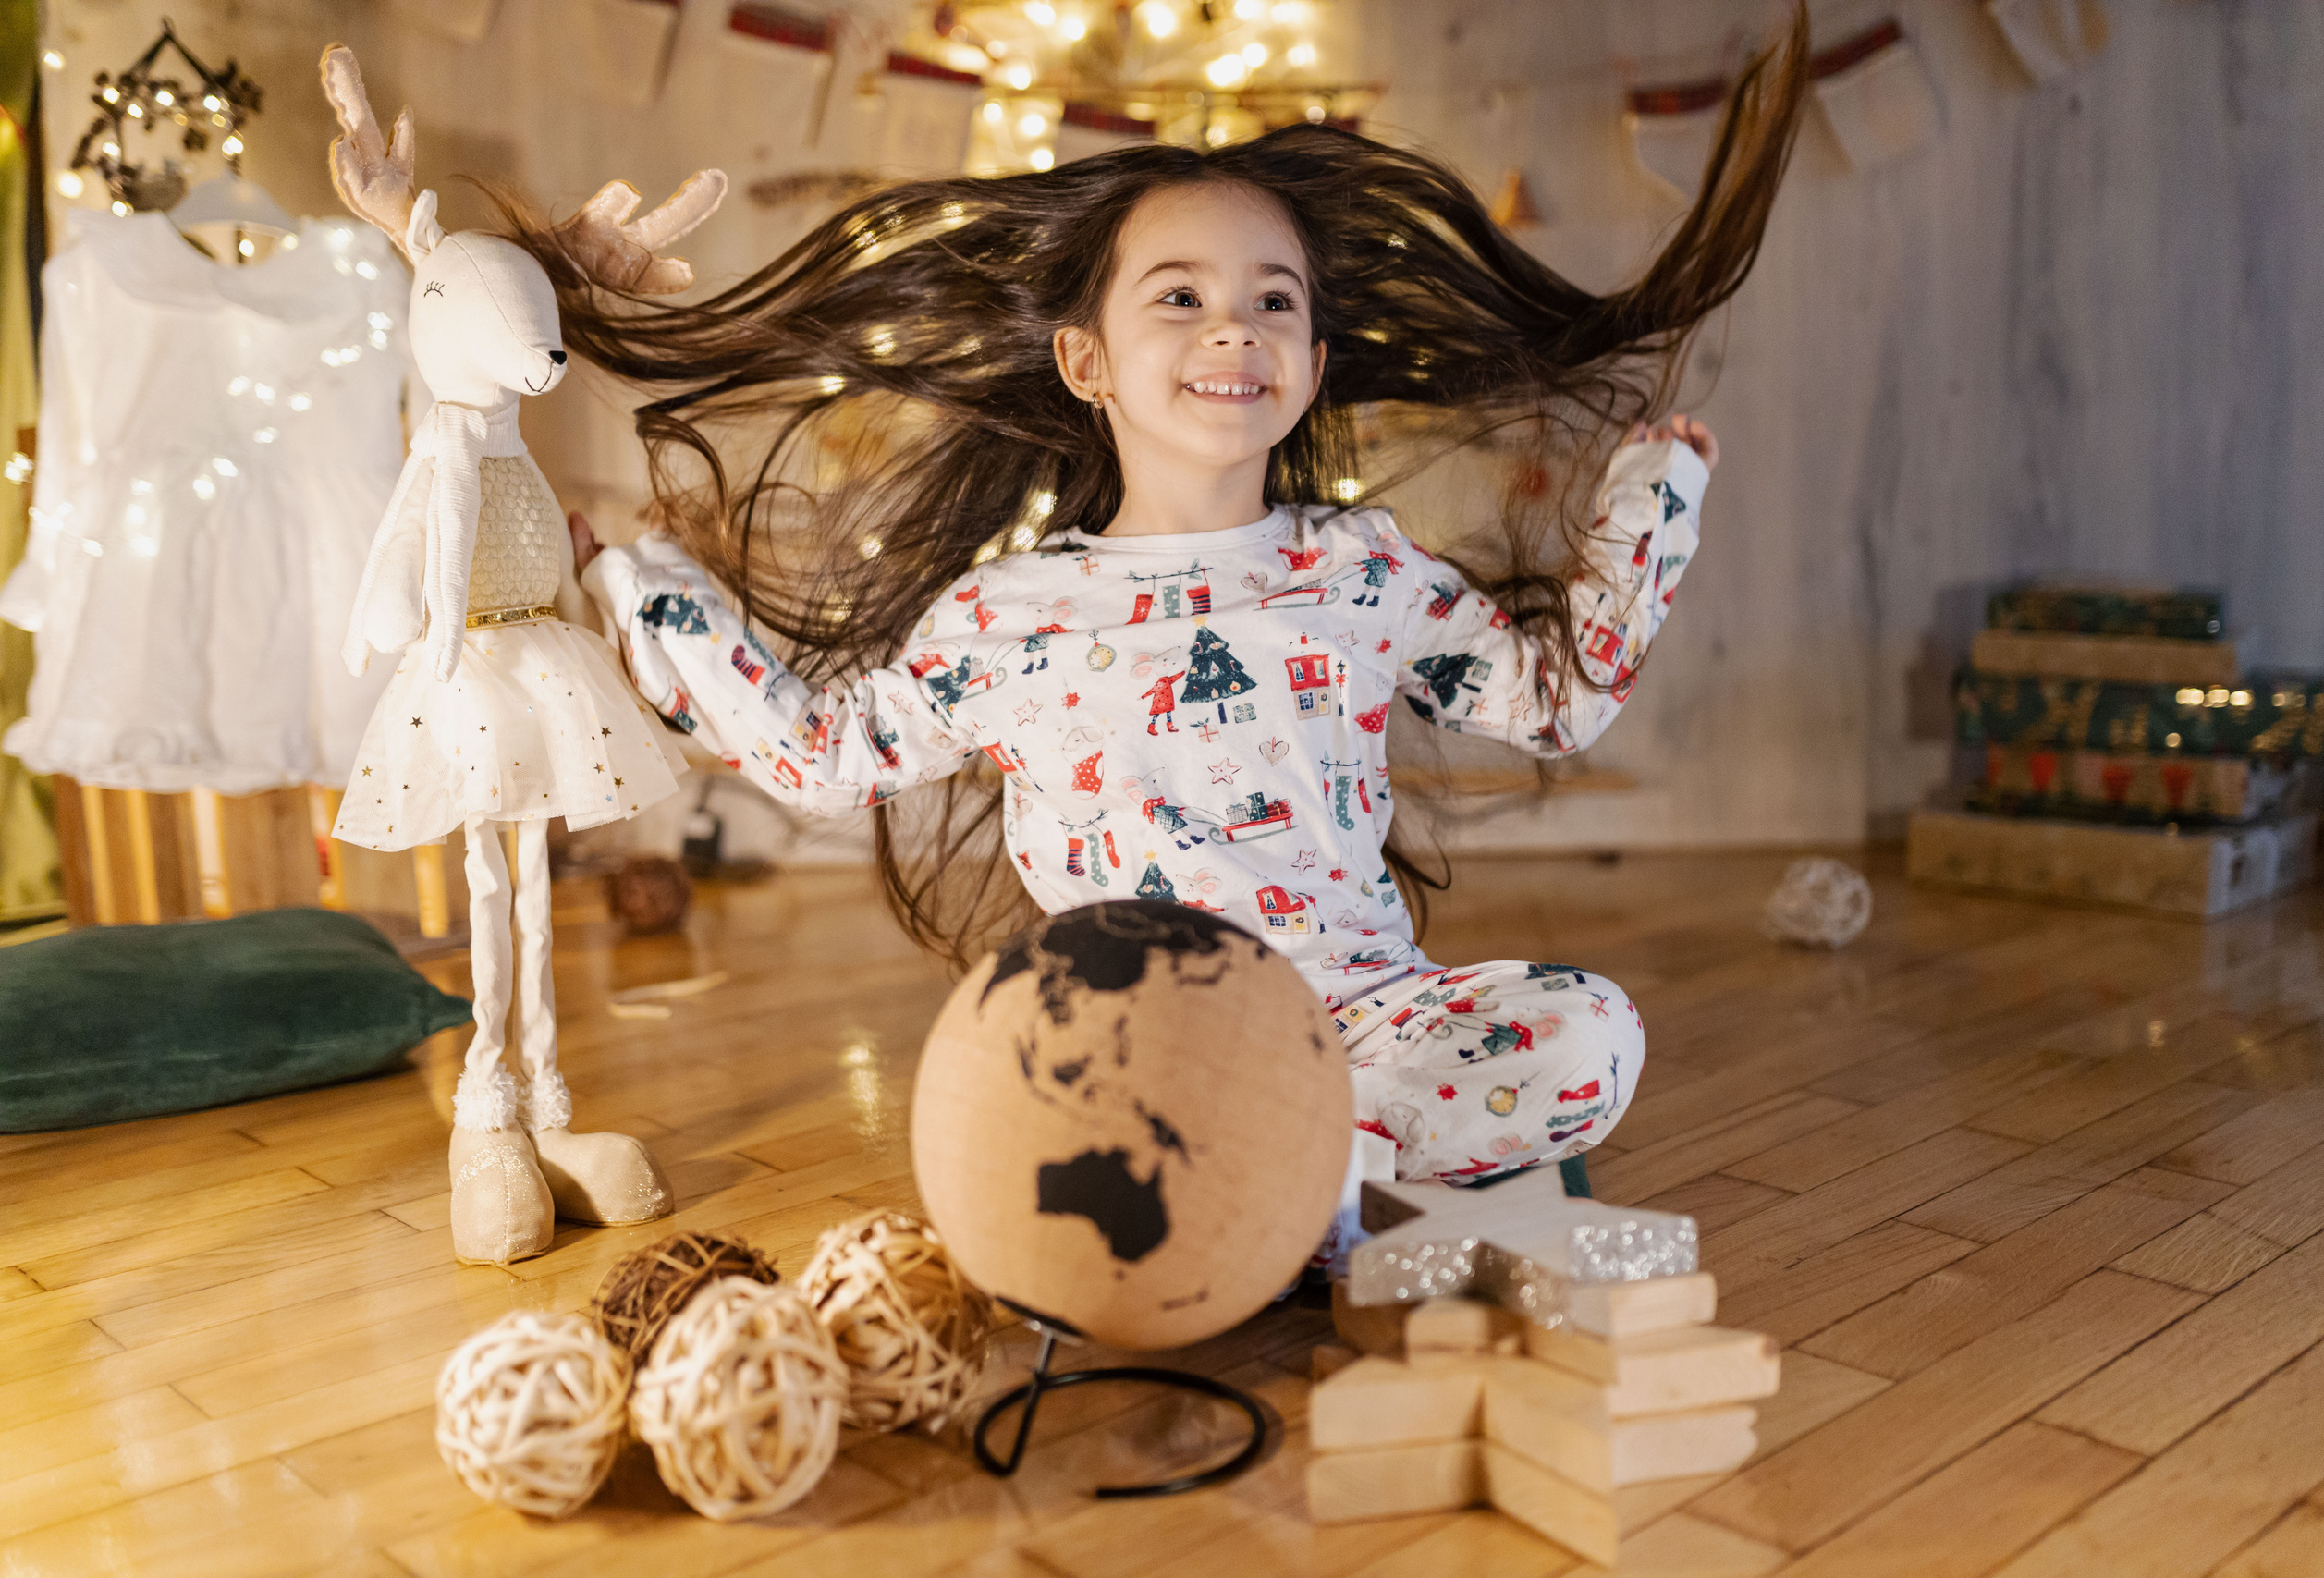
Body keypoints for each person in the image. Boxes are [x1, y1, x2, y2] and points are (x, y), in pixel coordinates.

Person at [517, 12, 1805, 1187]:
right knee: (1013, 1093)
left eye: (1273, 302)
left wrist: (1652, 505)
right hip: (1132, 1036)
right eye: (1180, 296)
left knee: (1592, 1033)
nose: (1232, 327)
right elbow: (819, 756)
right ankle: (1302, 1173)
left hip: (1355, 1016)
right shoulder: (1007, 615)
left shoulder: (1360, 572)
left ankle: (1293, 1164)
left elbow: (1553, 705)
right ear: (1087, 359)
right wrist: (634, 578)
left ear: (1310, 365)